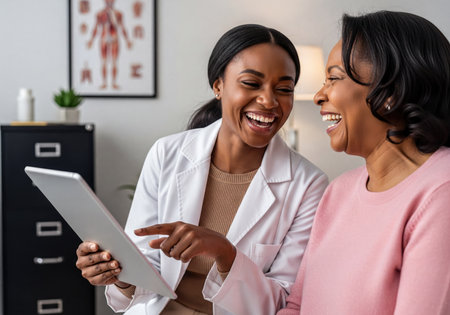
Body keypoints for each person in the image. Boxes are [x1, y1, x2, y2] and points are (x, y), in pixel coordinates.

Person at [76, 24, 328, 315]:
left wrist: (225, 254)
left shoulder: (308, 184)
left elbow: (283, 303)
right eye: (251, 83)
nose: (269, 101)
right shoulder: (166, 153)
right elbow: (144, 266)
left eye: (284, 89)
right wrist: (116, 275)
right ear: (218, 86)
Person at [278, 10, 450, 315]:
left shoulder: (441, 193)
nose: (319, 95)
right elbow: (297, 306)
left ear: (391, 92)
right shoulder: (339, 192)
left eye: (334, 78)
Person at [86, 0, 132, 90]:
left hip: (114, 37)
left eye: (111, 1)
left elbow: (122, 27)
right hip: (104, 37)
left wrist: (127, 40)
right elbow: (96, 27)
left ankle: (114, 82)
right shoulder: (100, 14)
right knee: (103, 61)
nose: (109, 3)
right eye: (107, 1)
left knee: (114, 61)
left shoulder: (118, 14)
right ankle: (104, 82)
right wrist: (91, 40)